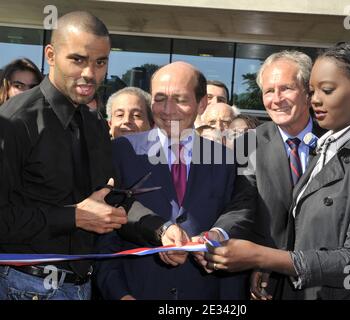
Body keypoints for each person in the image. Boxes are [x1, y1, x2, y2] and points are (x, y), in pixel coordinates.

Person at [204, 42, 350, 300]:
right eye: (314, 90)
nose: (316, 99)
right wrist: (272, 264)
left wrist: (262, 257)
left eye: (327, 90)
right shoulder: (326, 146)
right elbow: (300, 228)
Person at [0, 11, 130, 300]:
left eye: (100, 62)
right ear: (50, 55)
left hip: (82, 286)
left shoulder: (95, 123)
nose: (90, 74)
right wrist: (73, 217)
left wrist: (160, 230)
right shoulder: (14, 120)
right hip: (24, 286)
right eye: (78, 59)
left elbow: (106, 199)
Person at [96, 61, 247, 300]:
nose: (167, 110)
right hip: (136, 291)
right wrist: (118, 294)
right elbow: (106, 229)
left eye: (180, 99)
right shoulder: (122, 151)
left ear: (202, 104)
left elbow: (238, 214)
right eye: (159, 98)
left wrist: (216, 234)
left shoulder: (225, 159)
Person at [194, 50, 324, 299]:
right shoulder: (248, 144)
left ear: (308, 91)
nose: (276, 99)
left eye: (286, 88)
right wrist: (219, 233)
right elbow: (244, 204)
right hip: (272, 286)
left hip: (329, 281)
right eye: (268, 91)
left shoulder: (337, 139)